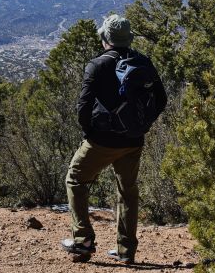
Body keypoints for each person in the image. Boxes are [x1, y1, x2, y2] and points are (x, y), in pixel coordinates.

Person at [61, 14, 167, 263]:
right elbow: (161, 100)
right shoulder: (142, 61)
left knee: (75, 180)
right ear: (128, 39)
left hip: (101, 140)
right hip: (133, 140)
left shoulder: (97, 65)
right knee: (127, 192)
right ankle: (126, 251)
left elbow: (83, 107)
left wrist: (90, 133)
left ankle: (82, 241)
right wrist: (142, 126)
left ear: (105, 38)